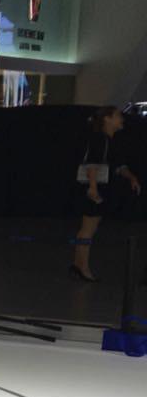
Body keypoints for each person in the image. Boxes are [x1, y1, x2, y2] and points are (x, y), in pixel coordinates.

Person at [70, 106, 141, 282]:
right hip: (94, 188)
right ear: (107, 119)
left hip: (99, 187)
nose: (121, 119)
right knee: (88, 228)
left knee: (88, 228)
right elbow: (92, 164)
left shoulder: (110, 140)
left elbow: (118, 165)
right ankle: (82, 267)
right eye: (118, 116)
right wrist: (93, 188)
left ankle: (78, 263)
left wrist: (131, 177)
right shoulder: (99, 139)